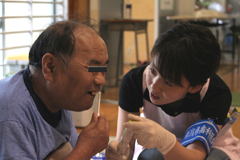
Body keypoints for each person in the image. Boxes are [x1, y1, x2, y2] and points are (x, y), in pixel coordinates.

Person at [106, 22, 240, 160]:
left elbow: (195, 156)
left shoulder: (215, 94)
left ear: (195, 87)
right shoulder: (134, 81)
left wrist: (166, 141)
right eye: (153, 70)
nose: (154, 86)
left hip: (208, 148)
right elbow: (127, 145)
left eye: (168, 82)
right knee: (151, 157)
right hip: (155, 144)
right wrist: (120, 153)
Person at [0, 20, 110, 160]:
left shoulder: (56, 97)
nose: (102, 80)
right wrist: (85, 150)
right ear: (50, 67)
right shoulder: (11, 115)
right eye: (93, 68)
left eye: (103, 69)